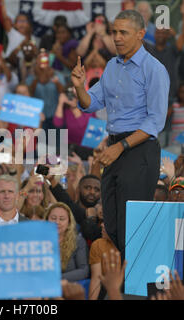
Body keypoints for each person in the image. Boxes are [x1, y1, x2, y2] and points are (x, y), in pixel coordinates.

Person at [72, 9, 170, 259]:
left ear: (140, 34)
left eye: (123, 33)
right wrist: (79, 87)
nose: (116, 37)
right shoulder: (112, 66)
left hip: (139, 151)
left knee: (133, 227)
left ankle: (133, 291)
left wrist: (120, 147)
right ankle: (120, 286)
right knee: (112, 224)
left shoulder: (154, 69)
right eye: (114, 32)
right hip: (114, 149)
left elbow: (155, 121)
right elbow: (91, 103)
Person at [46, 202, 89, 282]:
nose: (57, 222)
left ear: (69, 223)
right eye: (53, 218)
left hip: (68, 288)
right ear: (47, 220)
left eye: (62, 219)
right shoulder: (38, 241)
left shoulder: (78, 241)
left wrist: (57, 279)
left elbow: (84, 271)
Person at [88, 222, 118, 300]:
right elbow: (96, 279)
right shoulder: (98, 245)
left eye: (107, 221)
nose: (101, 224)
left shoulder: (132, 245)